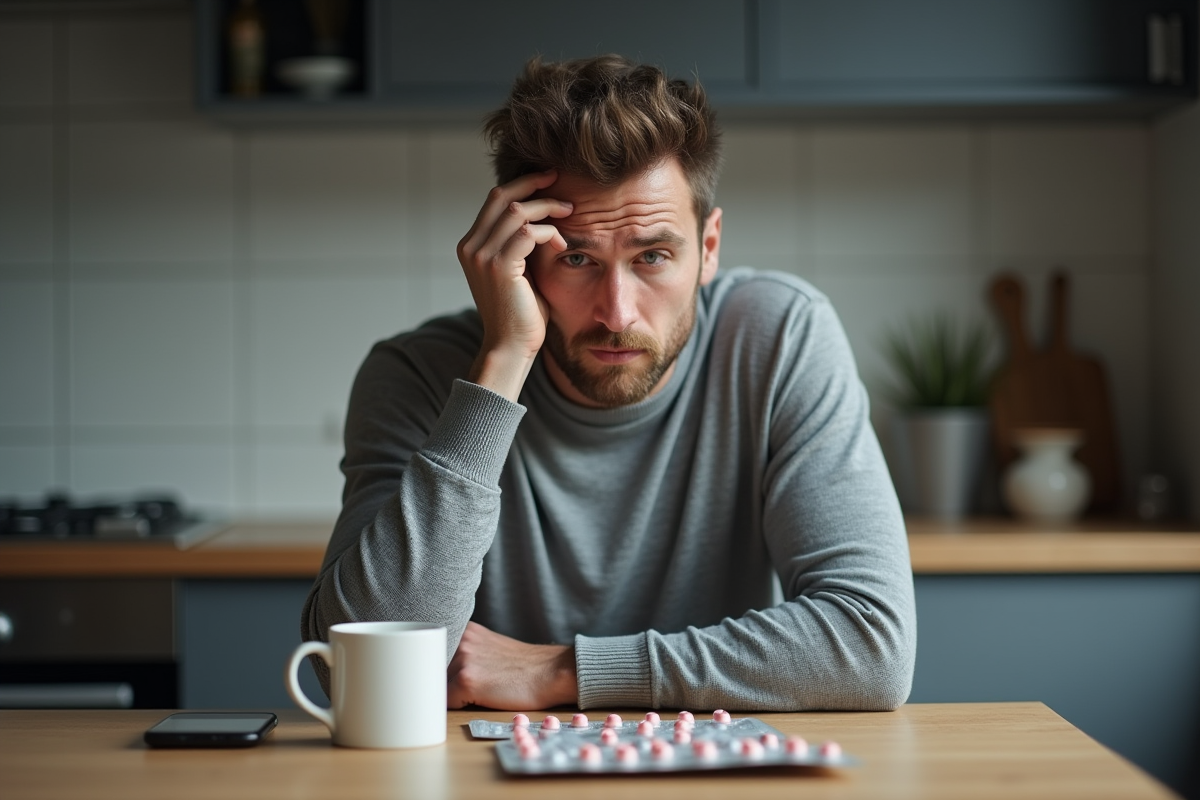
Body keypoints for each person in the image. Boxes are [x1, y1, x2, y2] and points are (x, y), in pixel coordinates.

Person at [302, 55, 915, 712]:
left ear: (708, 249)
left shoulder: (778, 338)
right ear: (518, 259)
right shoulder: (416, 375)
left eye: (652, 256)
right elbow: (352, 672)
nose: (617, 312)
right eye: (576, 258)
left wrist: (566, 670)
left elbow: (870, 646)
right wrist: (504, 359)